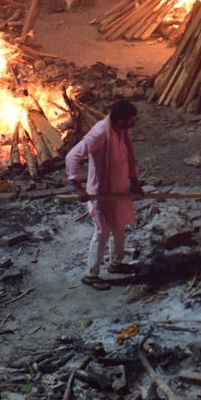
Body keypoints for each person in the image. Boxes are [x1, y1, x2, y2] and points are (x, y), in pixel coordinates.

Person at [65, 99, 144, 290]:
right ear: (120, 121)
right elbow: (72, 156)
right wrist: (77, 187)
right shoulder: (100, 132)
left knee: (118, 228)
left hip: (118, 192)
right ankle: (90, 275)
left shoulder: (122, 132)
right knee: (102, 233)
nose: (133, 124)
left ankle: (116, 264)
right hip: (100, 193)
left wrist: (134, 183)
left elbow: (128, 159)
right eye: (131, 120)